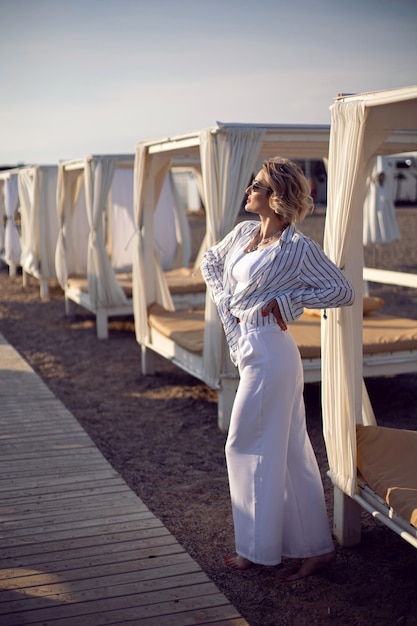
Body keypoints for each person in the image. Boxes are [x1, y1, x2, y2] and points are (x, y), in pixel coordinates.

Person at [200, 157, 354, 580]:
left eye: (257, 186)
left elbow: (342, 290)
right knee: (290, 453)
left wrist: (288, 303)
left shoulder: (298, 248)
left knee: (241, 444)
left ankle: (255, 549)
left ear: (277, 197)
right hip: (250, 346)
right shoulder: (243, 234)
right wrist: (229, 306)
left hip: (272, 351)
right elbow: (210, 264)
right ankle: (317, 549)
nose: (249, 191)